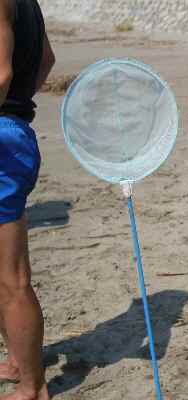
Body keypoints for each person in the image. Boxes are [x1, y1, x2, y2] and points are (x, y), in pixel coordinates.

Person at [0, 1, 55, 399]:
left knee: (11, 278)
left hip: (3, 140)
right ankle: (20, 362)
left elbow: (1, 73)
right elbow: (46, 59)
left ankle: (32, 387)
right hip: (12, 131)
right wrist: (19, 106)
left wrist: (11, 104)